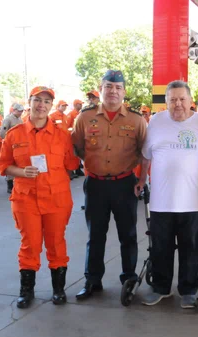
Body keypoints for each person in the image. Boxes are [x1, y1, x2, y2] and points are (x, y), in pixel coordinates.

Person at [137, 80, 198, 308]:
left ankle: (188, 290)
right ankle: (161, 288)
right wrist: (142, 178)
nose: (178, 104)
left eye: (182, 99)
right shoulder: (155, 122)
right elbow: (146, 156)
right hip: (161, 202)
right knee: (160, 247)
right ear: (166, 102)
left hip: (192, 201)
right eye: (172, 99)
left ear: (191, 101)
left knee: (190, 248)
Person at [0, 86, 79, 309]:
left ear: (51, 106)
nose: (41, 105)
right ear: (29, 102)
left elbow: (71, 164)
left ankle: (58, 289)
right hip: (26, 200)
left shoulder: (63, 136)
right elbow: (3, 165)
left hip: (56, 199)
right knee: (30, 245)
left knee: (56, 243)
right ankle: (26, 291)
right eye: (37, 100)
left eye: (46, 101)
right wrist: (21, 172)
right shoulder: (15, 134)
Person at [71, 70, 147, 300]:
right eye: (108, 86)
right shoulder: (84, 118)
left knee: (128, 235)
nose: (113, 91)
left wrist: (142, 180)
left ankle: (129, 278)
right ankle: (93, 280)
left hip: (125, 184)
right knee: (95, 235)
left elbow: (145, 153)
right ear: (101, 88)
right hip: (95, 184)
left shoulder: (136, 120)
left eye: (118, 87)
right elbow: (78, 148)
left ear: (124, 91)